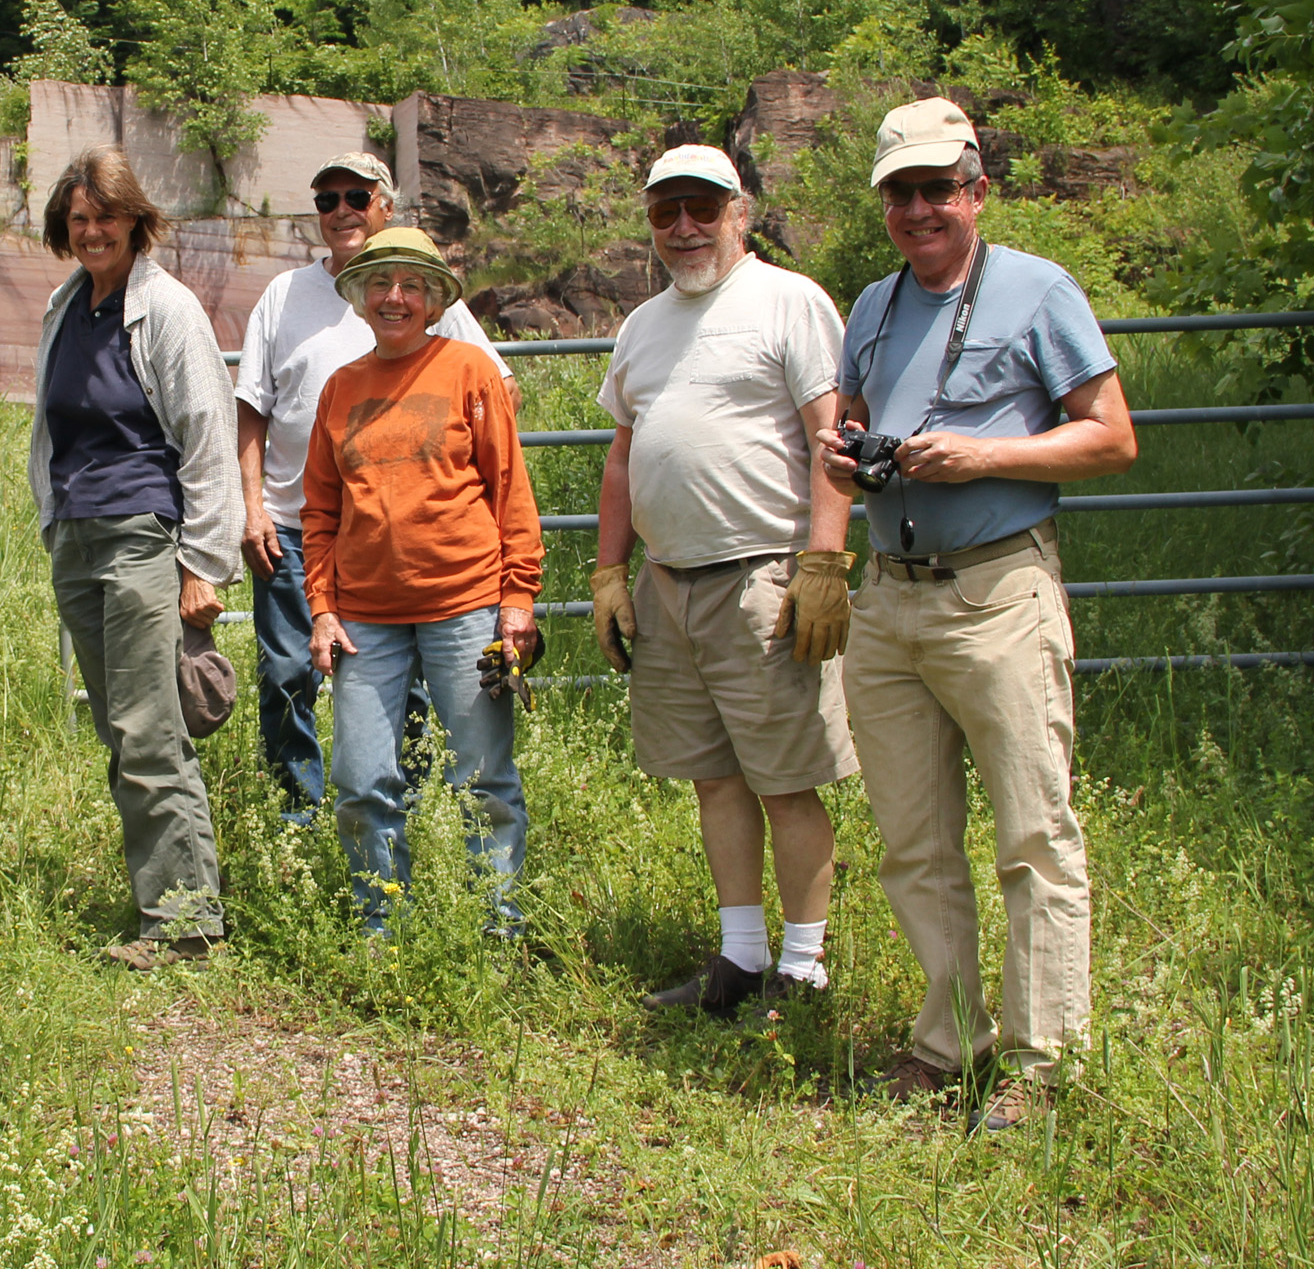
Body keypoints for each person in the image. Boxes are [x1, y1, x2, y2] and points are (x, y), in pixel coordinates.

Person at [819, 97, 1137, 1133]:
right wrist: (846, 455)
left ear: (976, 192)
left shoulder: (1040, 290)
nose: (919, 210)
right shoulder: (870, 306)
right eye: (900, 193)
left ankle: (1042, 1066)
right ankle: (949, 1043)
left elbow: (1111, 438)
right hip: (890, 594)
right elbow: (857, 418)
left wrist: (986, 453)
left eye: (937, 190)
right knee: (913, 841)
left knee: (1033, 833)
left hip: (999, 591)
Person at [587, 145, 858, 1015]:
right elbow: (624, 457)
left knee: (784, 777)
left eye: (702, 207)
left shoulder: (789, 300)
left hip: (762, 578)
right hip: (670, 584)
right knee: (715, 777)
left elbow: (833, 437)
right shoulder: (642, 325)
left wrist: (822, 562)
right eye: (665, 213)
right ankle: (741, 958)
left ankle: (806, 969)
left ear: (741, 211)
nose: (684, 227)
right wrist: (608, 573)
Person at [235, 152, 516, 821]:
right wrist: (250, 507)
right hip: (294, 521)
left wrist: (432, 478)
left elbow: (498, 385)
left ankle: (407, 804)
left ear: (385, 206)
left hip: (395, 540)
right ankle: (297, 816)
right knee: (287, 674)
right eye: (326, 199)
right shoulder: (285, 294)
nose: (340, 211)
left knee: (405, 684)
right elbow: (251, 406)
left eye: (355, 197)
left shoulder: (417, 292)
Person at [30, 146, 244, 971]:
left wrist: (203, 563)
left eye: (106, 217)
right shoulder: (65, 307)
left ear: (135, 221)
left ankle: (187, 927)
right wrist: (55, 524)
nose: (93, 231)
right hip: (79, 536)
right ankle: (165, 905)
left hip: (143, 534)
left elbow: (206, 435)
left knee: (151, 729)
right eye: (79, 219)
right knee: (121, 731)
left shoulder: (169, 308)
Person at [304, 228, 543, 935]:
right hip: (365, 618)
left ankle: (498, 932)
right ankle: (382, 932)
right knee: (360, 779)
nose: (395, 297)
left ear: (437, 299)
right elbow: (319, 509)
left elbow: (510, 489)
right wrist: (322, 608)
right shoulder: (341, 389)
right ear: (359, 297)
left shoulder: (470, 371)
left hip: (465, 606)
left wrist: (518, 596)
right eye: (380, 283)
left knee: (483, 778)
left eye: (413, 285)